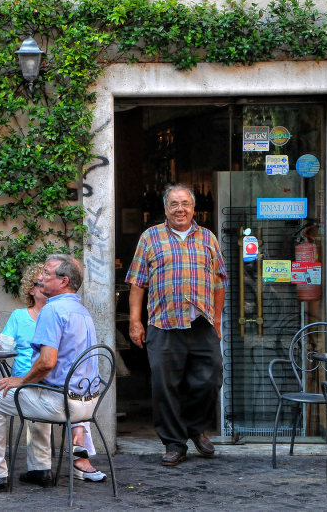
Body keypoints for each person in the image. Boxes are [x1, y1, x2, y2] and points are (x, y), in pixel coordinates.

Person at [0, 254, 99, 492]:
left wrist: (21, 380)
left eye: (46, 273)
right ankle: (40, 469)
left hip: (61, 402)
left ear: (63, 281)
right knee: (35, 390)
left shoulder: (52, 311)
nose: (41, 278)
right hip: (86, 404)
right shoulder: (81, 311)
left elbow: (46, 363)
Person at [126, 184, 228, 467]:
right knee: (164, 386)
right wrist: (135, 322)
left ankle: (195, 426)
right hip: (164, 323)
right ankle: (174, 442)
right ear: (165, 208)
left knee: (210, 378)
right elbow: (137, 283)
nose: (180, 209)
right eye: (174, 204)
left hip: (201, 322)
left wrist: (217, 321)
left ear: (194, 208)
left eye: (185, 203)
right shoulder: (150, 237)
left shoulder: (207, 238)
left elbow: (219, 282)